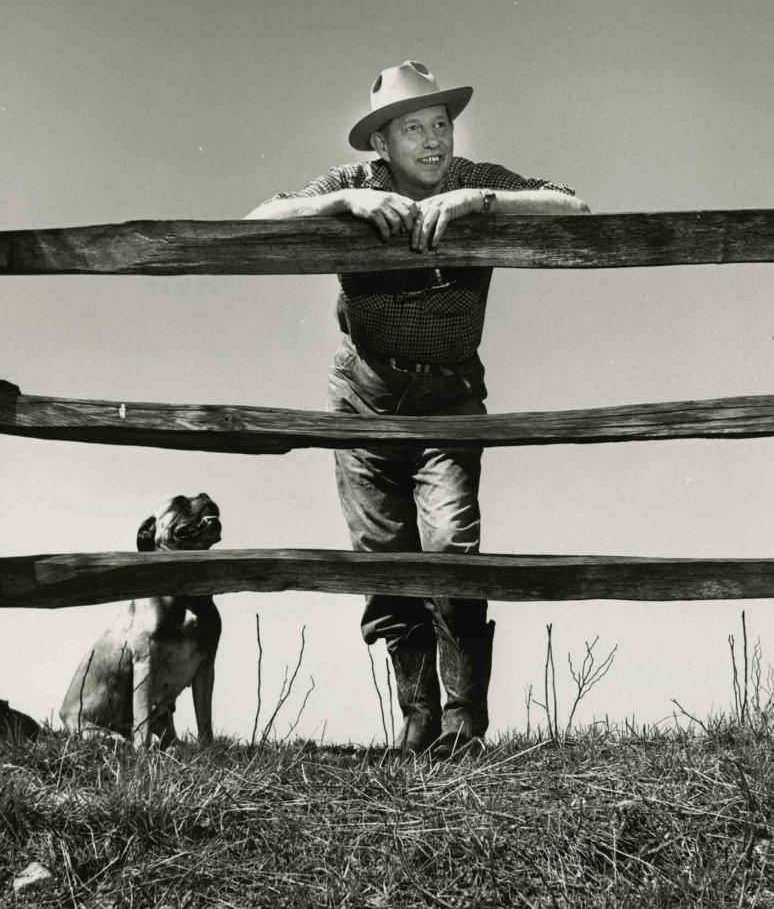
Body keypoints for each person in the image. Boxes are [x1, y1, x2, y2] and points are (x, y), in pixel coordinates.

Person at [246, 60, 589, 757]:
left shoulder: (471, 181)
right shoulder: (351, 186)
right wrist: (340, 209)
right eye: (414, 129)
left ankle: (464, 723)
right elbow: (259, 219)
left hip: (450, 394)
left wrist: (481, 204)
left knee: (452, 545)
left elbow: (572, 205)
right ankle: (418, 719)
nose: (433, 141)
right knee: (382, 557)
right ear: (381, 142)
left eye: (441, 125)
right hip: (364, 398)